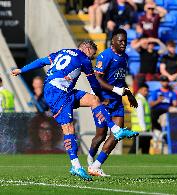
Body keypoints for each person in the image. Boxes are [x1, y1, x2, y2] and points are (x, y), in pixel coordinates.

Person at [11, 39, 139, 181]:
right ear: (87, 49)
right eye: (93, 54)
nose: (92, 58)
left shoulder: (62, 52)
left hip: (64, 91)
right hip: (57, 93)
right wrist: (102, 96)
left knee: (93, 100)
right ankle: (76, 165)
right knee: (69, 128)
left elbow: (41, 62)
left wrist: (21, 70)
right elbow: (94, 84)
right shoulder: (84, 59)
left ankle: (115, 130)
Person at [87, 29, 139, 176]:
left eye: (125, 41)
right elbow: (97, 79)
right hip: (102, 100)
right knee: (101, 135)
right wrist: (116, 90)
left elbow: (120, 80)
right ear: (113, 41)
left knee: (117, 133)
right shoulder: (105, 56)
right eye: (120, 41)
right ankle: (90, 158)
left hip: (116, 101)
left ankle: (96, 166)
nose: (123, 43)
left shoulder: (125, 57)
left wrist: (129, 94)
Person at [129, 83, 152, 154]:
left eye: (147, 91)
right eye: (145, 90)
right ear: (140, 90)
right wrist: (144, 129)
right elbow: (140, 116)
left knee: (144, 150)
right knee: (135, 150)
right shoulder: (139, 100)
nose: (146, 92)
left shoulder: (142, 100)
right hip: (141, 130)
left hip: (143, 130)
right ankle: (127, 162)